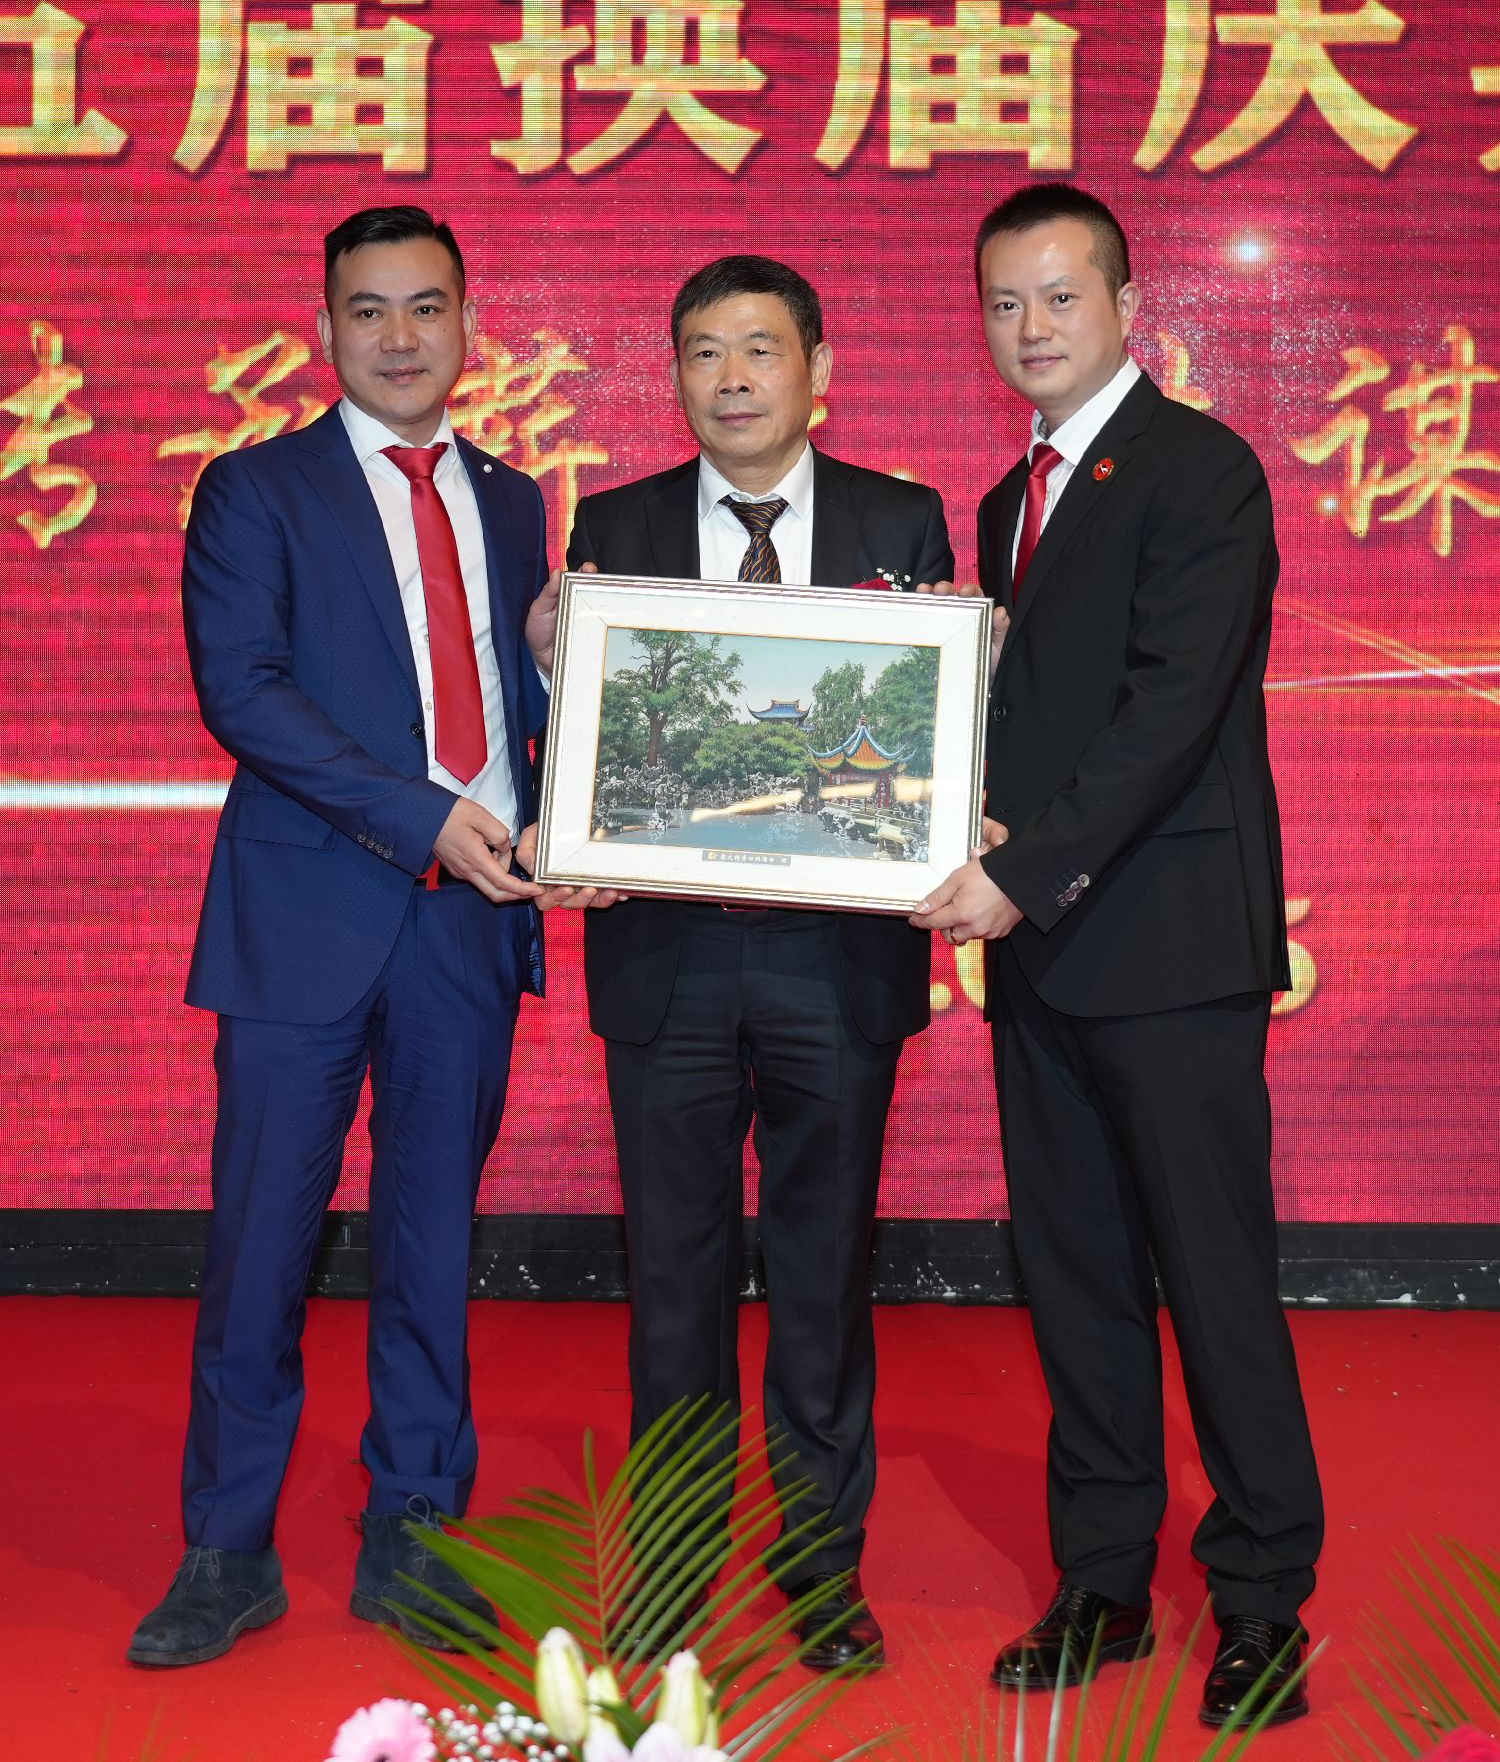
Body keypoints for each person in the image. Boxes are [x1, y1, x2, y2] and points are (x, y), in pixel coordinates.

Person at [912, 184, 1323, 1725]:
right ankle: (1103, 1579)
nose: (1030, 327)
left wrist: (1021, 873)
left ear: (1127, 304)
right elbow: (1029, 717)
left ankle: (1263, 1597)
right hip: (1045, 960)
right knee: (1075, 1276)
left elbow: (1169, 711)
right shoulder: (1003, 501)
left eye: (1059, 296)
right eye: (1003, 303)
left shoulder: (1203, 470)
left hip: (1167, 950)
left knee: (1214, 1281)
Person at [128, 206, 550, 1667]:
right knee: (261, 1249)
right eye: (368, 310)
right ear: (325, 330)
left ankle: (415, 1534)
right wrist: (426, 816)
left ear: (468, 323)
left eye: (427, 306)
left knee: (434, 1248)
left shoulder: (516, 500)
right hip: (305, 919)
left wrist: (583, 813)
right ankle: (227, 1548)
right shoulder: (255, 489)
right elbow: (243, 693)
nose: (400, 337)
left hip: (468, 929)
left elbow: (523, 701)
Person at [528, 254, 953, 1670]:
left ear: (817, 369)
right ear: (676, 376)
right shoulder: (619, 522)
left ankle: (822, 1565)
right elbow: (591, 733)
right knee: (675, 1278)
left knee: (826, 1274)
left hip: (841, 964)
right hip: (671, 960)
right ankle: (669, 1569)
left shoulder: (902, 520)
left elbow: (940, 728)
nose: (732, 379)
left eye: (761, 350)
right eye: (704, 352)